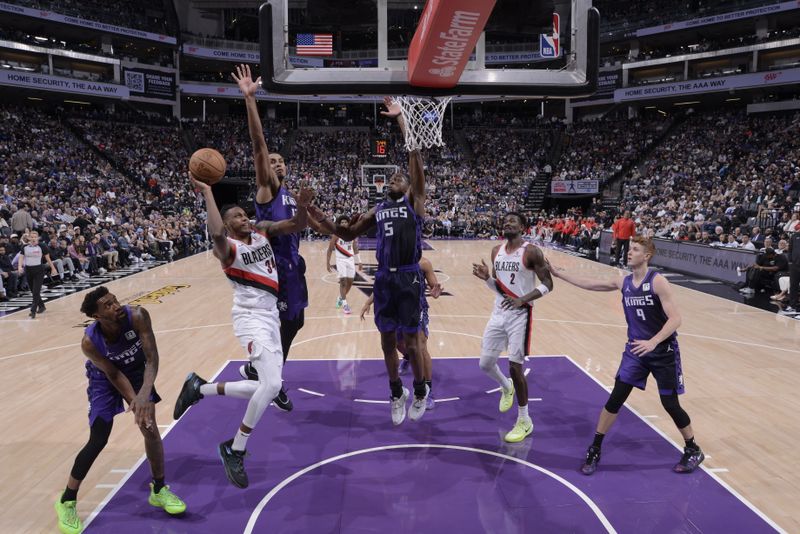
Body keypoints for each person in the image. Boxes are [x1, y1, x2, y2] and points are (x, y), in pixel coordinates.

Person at [173, 173, 317, 489]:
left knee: (269, 386)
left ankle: (199, 389)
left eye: (244, 212)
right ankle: (235, 447)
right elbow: (214, 233)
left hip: (270, 316)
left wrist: (303, 207)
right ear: (228, 225)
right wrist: (207, 193)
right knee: (269, 387)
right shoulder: (228, 250)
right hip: (250, 318)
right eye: (236, 216)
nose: (244, 217)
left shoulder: (262, 232)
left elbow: (295, 226)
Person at [315, 96, 430, 425]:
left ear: (409, 186)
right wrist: (319, 218)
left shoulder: (414, 201)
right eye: (391, 177)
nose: (394, 178)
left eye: (400, 177)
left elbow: (415, 160)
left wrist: (400, 121)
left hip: (408, 277)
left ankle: (420, 389)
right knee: (385, 341)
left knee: (411, 340)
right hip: (384, 279)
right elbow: (347, 234)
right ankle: (396, 392)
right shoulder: (377, 209)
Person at [548, 236, 704, 475]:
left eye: (635, 249)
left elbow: (676, 319)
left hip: (662, 351)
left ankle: (693, 449)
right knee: (615, 399)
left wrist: (653, 342)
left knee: (670, 404)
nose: (629, 252)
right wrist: (559, 274)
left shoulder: (658, 282)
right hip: (635, 351)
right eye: (629, 249)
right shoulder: (624, 283)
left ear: (647, 255)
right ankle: (595, 447)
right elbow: (590, 283)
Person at [232, 64, 329, 412]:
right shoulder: (267, 190)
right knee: (283, 324)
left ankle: (264, 371)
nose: (275, 164)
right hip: (272, 270)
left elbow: (308, 225)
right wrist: (250, 100)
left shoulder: (288, 194)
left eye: (280, 161)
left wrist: (321, 220)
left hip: (292, 265)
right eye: (270, 161)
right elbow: (258, 145)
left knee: (296, 321)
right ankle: (270, 378)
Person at [56, 287, 186, 534]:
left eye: (114, 300)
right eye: (107, 305)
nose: (115, 306)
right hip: (103, 380)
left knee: (149, 428)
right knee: (98, 438)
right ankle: (67, 501)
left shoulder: (137, 316)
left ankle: (158, 490)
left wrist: (143, 396)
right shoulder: (89, 342)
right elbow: (113, 373)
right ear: (96, 316)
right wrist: (134, 401)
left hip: (139, 373)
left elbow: (151, 358)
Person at [471, 212, 553, 443]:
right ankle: (506, 387)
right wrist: (487, 278)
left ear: (523, 227)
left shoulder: (532, 251)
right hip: (498, 313)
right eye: (505, 220)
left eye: (513, 221)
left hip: (520, 314)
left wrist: (523, 299)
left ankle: (525, 421)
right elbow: (500, 287)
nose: (507, 223)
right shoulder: (496, 251)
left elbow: (549, 284)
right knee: (485, 364)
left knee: (515, 368)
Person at [361, 257, 443, 409]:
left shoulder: (424, 264)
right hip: (396, 307)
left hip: (417, 307)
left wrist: (435, 291)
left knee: (421, 346)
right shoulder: (390, 263)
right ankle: (407, 357)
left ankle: (428, 390)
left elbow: (434, 285)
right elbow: (382, 286)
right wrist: (368, 302)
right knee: (397, 343)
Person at [326, 215, 362, 314]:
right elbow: (330, 249)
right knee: (343, 282)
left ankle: (340, 298)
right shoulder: (336, 234)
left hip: (350, 260)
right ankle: (345, 305)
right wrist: (327, 263)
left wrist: (359, 261)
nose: (344, 224)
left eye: (345, 222)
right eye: (342, 222)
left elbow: (355, 248)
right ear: (339, 224)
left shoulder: (352, 234)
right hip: (340, 260)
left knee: (350, 282)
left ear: (348, 223)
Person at [18, 230, 57, 318]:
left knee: (36, 291)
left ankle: (33, 311)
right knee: (33, 291)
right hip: (28, 270)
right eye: (31, 237)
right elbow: (21, 257)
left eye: (35, 237)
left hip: (39, 270)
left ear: (38, 238)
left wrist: (53, 268)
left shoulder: (42, 246)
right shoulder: (24, 247)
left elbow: (48, 258)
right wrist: (19, 267)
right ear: (28, 238)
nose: (33, 238)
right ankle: (42, 306)